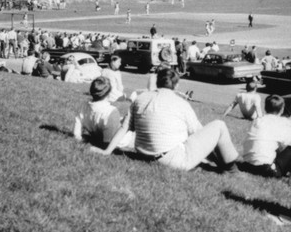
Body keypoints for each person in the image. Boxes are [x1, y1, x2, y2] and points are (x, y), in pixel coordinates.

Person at [98, 67, 239, 172]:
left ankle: (222, 166)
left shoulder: (140, 98)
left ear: (158, 82)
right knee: (219, 125)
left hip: (143, 154)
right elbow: (197, 132)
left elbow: (124, 128)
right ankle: (232, 169)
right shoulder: (181, 103)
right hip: (170, 159)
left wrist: (107, 151)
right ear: (177, 85)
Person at [239, 95, 291, 178]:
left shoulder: (258, 120)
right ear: (282, 109)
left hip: (247, 165)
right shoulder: (281, 122)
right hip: (268, 170)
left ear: (265, 108)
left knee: (278, 143)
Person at [73, 77, 131, 149]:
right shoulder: (111, 111)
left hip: (96, 133)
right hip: (118, 140)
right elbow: (108, 142)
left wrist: (78, 137)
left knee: (123, 120)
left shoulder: (84, 106)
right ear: (109, 93)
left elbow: (78, 124)